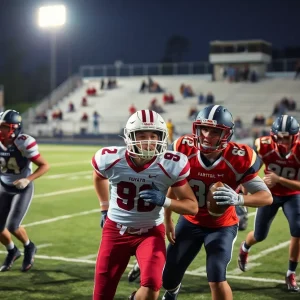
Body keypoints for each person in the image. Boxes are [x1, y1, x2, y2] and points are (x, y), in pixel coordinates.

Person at [161, 105, 272, 300]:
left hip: (222, 226)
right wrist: (168, 218)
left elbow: (266, 197)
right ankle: (173, 291)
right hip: (190, 220)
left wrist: (239, 199)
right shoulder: (183, 148)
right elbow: (173, 184)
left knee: (216, 276)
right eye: (203, 129)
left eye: (214, 131)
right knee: (168, 278)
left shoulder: (238, 158)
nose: (206, 135)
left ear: (226, 135)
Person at [91, 109, 198, 300]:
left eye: (153, 136)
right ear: (130, 137)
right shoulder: (111, 159)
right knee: (102, 294)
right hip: (115, 230)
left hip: (150, 232)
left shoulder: (170, 164)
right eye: (142, 136)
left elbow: (192, 206)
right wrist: (104, 207)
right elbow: (99, 177)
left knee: (151, 288)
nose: (148, 141)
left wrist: (165, 201)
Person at [238, 114, 300, 292]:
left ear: (294, 137)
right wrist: (248, 186)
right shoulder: (262, 145)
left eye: (286, 138)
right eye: (278, 137)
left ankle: (290, 273)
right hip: (269, 194)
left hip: (292, 195)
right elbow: (248, 168)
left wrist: (278, 179)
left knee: (298, 230)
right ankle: (245, 247)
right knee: (260, 235)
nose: (281, 142)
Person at [0, 110, 50, 272]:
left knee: (13, 225)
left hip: (22, 187)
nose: (1, 130)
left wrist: (27, 179)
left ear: (14, 128)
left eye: (5, 127)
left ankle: (29, 247)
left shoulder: (23, 142)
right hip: (4, 185)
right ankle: (12, 251)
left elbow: (44, 165)